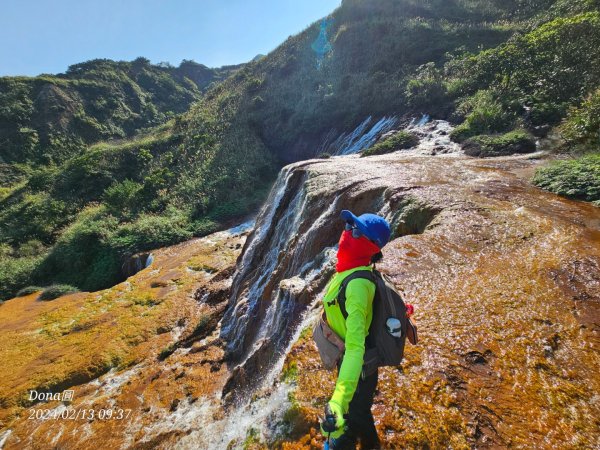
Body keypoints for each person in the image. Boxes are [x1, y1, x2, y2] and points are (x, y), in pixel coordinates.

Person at [320, 209, 391, 450]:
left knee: (358, 413)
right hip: (355, 366)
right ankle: (350, 439)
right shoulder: (350, 270)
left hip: (361, 366)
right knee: (356, 412)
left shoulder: (358, 286)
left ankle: (371, 446)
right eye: (349, 225)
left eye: (356, 230)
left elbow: (355, 347)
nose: (347, 232)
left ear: (372, 247)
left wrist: (338, 400)